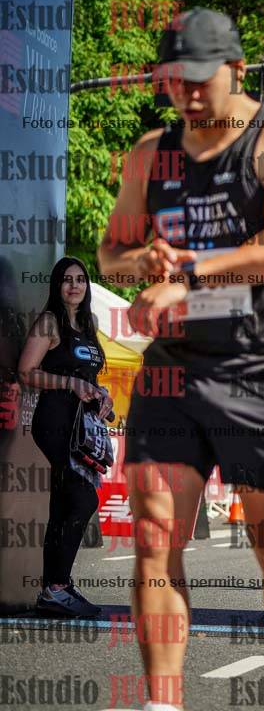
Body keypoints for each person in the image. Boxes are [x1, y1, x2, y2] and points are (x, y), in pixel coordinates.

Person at [95, 7, 264, 711]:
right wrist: (144, 260)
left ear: (238, 69)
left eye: (200, 78)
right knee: (154, 534)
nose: (187, 93)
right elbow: (111, 252)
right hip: (176, 365)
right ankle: (162, 702)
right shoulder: (150, 153)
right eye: (174, 79)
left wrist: (190, 274)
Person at [18, 257, 114, 618]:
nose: (75, 286)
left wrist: (101, 393)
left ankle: (54, 589)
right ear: (57, 285)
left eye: (81, 280)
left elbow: (88, 376)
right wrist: (69, 383)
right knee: (83, 497)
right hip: (55, 420)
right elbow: (26, 372)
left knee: (62, 504)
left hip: (81, 426)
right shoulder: (49, 322)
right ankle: (56, 587)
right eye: (67, 280)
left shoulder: (87, 325)